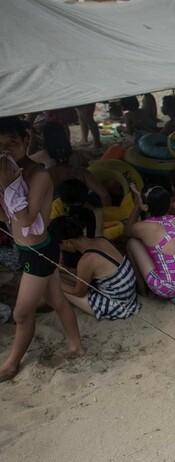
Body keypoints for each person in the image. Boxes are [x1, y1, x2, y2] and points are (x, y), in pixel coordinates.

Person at [0, 116, 84, 382]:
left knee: (22, 313)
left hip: (39, 252)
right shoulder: (8, 171)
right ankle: (76, 345)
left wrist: (7, 186)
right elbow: (5, 218)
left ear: (27, 141)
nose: (5, 150)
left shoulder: (38, 175)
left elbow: (26, 220)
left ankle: (11, 365)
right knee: (57, 300)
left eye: (12, 143)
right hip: (26, 250)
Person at [49, 216, 140, 320]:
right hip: (129, 296)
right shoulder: (101, 240)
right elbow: (88, 276)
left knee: (55, 284)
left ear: (66, 242)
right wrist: (66, 270)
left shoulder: (87, 260)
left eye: (60, 246)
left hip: (118, 305)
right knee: (60, 275)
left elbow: (78, 292)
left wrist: (56, 282)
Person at [125, 184, 175, 299]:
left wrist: (137, 206)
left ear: (146, 206)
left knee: (132, 242)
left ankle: (142, 290)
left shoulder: (144, 227)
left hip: (168, 288)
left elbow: (127, 231)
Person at [36, 121, 112, 206]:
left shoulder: (42, 158)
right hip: (79, 208)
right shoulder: (79, 159)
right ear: (65, 136)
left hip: (51, 210)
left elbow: (25, 161)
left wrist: (33, 138)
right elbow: (104, 195)